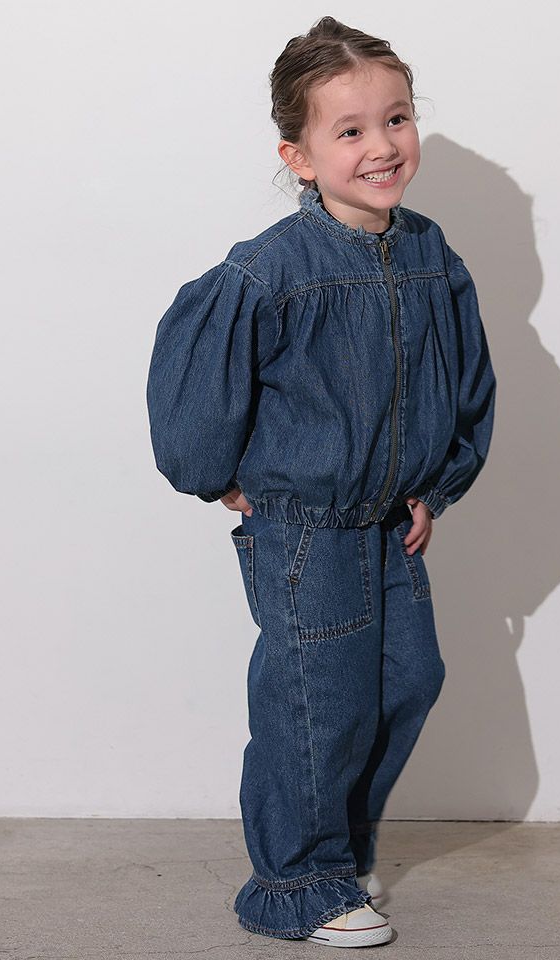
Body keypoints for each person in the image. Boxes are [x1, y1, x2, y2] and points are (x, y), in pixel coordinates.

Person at [146, 15, 496, 949]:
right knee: (318, 702)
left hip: (389, 525)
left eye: (397, 118)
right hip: (306, 530)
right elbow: (195, 396)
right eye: (350, 130)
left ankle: (339, 851)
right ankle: (294, 881)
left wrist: (437, 486)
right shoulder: (271, 271)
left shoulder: (430, 255)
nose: (382, 146)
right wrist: (218, 477)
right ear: (298, 157)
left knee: (408, 680)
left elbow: (465, 384)